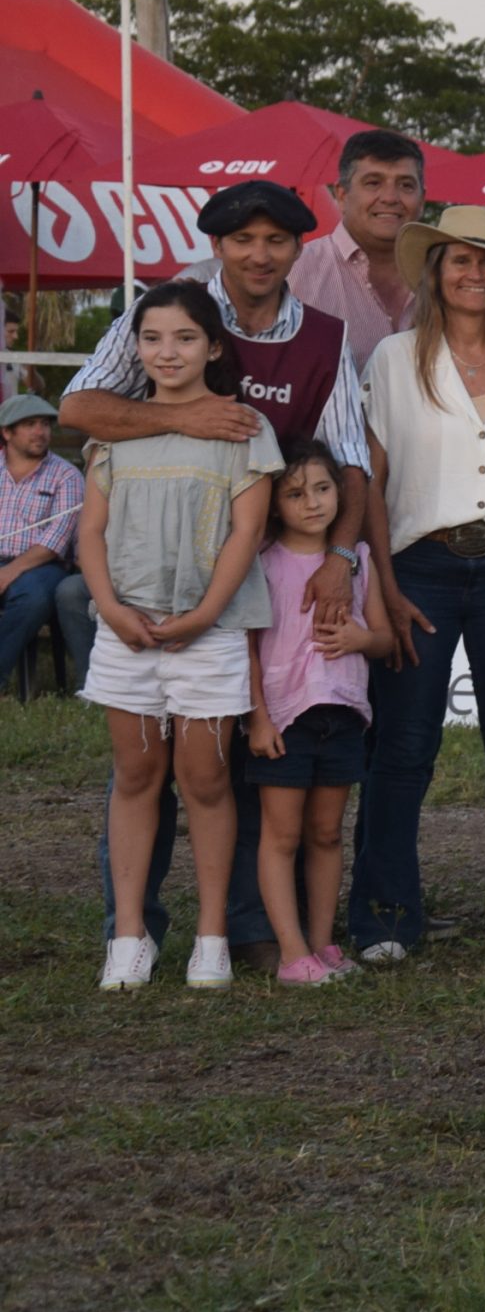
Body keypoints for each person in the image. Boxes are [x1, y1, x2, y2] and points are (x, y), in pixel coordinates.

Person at [68, 180, 371, 973]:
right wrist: (180, 415)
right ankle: (130, 928)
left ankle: (236, 929)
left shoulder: (326, 336)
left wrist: (340, 555)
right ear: (218, 247)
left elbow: (353, 459)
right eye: (243, 240)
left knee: (236, 766)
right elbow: (80, 407)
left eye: (275, 240)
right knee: (141, 767)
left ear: (298, 248)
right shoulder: (176, 313)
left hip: (264, 571)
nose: (259, 254)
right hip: (151, 580)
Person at [350, 208, 485, 967]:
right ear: (435, 273)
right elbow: (371, 483)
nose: (474, 275)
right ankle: (385, 916)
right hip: (420, 569)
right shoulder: (391, 359)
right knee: (403, 749)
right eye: (458, 263)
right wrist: (382, 582)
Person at [86, 280, 284, 992]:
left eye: (184, 338)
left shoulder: (243, 428)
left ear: (214, 346)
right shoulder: (115, 429)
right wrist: (109, 606)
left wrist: (202, 616)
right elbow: (90, 531)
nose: (167, 352)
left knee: (204, 777)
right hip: (127, 630)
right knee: (137, 774)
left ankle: (211, 935)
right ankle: (130, 935)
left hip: (209, 630)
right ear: (135, 348)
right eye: (152, 338)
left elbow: (247, 529)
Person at [246, 439, 392, 986]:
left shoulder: (360, 562)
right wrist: (258, 718)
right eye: (296, 493)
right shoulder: (262, 563)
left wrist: (361, 638)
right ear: (275, 503)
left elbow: (381, 639)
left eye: (324, 489)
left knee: (327, 832)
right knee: (281, 835)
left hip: (345, 712)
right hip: (286, 717)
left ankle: (323, 942)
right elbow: (249, 650)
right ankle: (290, 952)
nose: (313, 503)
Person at [291, 128, 425, 373]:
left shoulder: (447, 277)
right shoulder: (295, 273)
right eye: (373, 183)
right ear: (341, 195)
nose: (389, 197)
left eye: (406, 185)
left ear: (422, 200)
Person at [0, 393, 82, 683]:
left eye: (45, 424)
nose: (41, 432)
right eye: (30, 424)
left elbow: (56, 540)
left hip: (42, 565)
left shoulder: (66, 476)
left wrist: (10, 571)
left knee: (32, 598)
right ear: (6, 432)